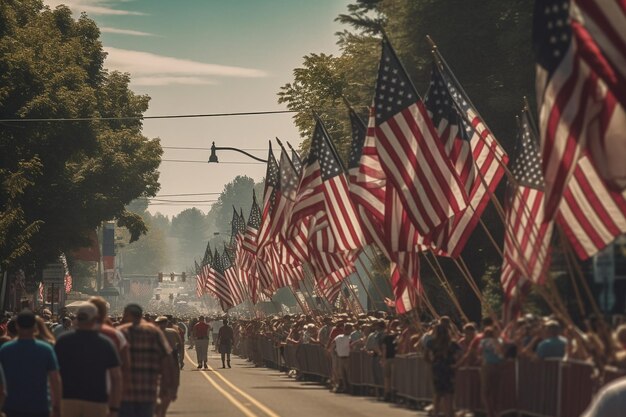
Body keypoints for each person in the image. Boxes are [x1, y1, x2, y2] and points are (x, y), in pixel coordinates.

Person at [54, 303, 122, 417]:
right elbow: (117, 377)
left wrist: (55, 404)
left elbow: (54, 375)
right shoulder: (105, 343)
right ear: (95, 319)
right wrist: (114, 408)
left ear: (77, 318)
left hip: (67, 400)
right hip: (97, 401)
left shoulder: (62, 341)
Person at [118, 304, 177, 417]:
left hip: (124, 393)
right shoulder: (154, 333)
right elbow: (167, 361)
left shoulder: (121, 333)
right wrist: (169, 387)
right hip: (147, 392)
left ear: (126, 315)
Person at [0, 310, 62, 417]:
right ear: (35, 327)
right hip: (40, 406)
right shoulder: (46, 349)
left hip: (11, 406)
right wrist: (57, 405)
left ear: (17, 326)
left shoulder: (5, 349)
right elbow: (55, 379)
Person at [426, 323, 462, 417]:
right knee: (449, 394)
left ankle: (436, 414)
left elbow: (425, 355)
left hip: (437, 369)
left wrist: (432, 362)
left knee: (437, 394)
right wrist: (457, 364)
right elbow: (461, 354)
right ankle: (448, 414)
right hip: (449, 369)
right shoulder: (452, 343)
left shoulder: (432, 342)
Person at [154, 317, 181, 417]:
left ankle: (172, 393)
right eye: (159, 323)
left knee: (174, 376)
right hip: (157, 356)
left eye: (162, 323)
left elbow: (180, 344)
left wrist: (181, 357)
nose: (161, 325)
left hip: (171, 355)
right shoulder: (153, 332)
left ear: (166, 323)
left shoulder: (172, 332)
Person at [329, 323, 352, 393]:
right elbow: (332, 345)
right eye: (346, 328)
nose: (347, 330)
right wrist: (333, 353)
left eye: (348, 329)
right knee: (341, 374)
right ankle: (344, 387)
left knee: (348, 374)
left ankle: (349, 387)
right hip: (340, 357)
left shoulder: (351, 337)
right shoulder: (339, 337)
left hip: (348, 358)